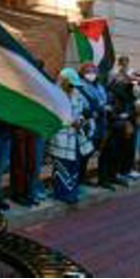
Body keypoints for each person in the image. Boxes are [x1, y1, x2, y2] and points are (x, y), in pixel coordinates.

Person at [47, 68, 93, 204]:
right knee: (62, 165)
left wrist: (80, 121)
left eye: (74, 85)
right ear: (63, 81)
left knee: (75, 164)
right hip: (61, 137)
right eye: (71, 84)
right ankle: (61, 193)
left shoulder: (77, 94)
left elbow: (85, 112)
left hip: (76, 137)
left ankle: (72, 191)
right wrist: (69, 122)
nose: (73, 87)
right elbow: (52, 116)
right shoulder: (54, 95)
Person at [77, 63, 113, 188]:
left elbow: (106, 100)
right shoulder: (80, 86)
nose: (91, 73)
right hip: (89, 122)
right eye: (88, 71)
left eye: (93, 71)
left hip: (102, 122)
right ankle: (80, 178)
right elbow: (81, 104)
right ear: (82, 72)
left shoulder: (99, 86)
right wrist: (96, 109)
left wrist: (106, 106)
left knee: (100, 150)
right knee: (85, 152)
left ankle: (100, 178)